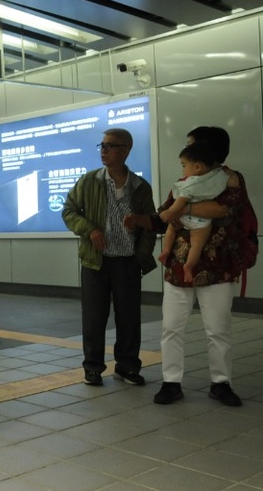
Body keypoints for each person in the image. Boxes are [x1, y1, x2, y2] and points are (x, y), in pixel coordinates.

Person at [124, 126, 246, 407]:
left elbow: (222, 210)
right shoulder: (185, 180)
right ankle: (171, 382)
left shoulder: (230, 179)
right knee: (171, 327)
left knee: (218, 329)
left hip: (218, 267)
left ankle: (221, 383)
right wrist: (142, 219)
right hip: (178, 266)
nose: (187, 149)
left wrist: (183, 209)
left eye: (191, 144)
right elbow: (163, 216)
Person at [61, 128, 157, 387]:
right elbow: (69, 211)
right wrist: (89, 230)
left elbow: (150, 224)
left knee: (129, 318)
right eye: (102, 145)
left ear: (125, 151)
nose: (103, 150)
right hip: (96, 262)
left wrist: (142, 256)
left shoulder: (140, 187)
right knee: (94, 317)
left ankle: (127, 367)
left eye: (110, 146)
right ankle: (92, 368)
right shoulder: (89, 181)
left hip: (127, 261)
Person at [157, 143, 235, 283]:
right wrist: (230, 173)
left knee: (171, 229)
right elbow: (234, 183)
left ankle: (166, 249)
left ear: (197, 166)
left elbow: (180, 201)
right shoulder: (219, 177)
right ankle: (189, 265)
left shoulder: (191, 182)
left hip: (183, 217)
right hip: (202, 223)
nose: (182, 169)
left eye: (184, 165)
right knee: (197, 244)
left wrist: (171, 211)